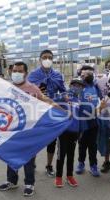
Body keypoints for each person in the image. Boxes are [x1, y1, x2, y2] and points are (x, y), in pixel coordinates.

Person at [0, 61, 65, 196]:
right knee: (11, 156)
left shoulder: (32, 88)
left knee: (28, 158)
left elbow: (45, 100)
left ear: (26, 73)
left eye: (19, 71)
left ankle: (29, 183)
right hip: (12, 130)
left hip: (30, 130)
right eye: (14, 71)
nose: (16, 73)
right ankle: (11, 181)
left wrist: (61, 110)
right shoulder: (8, 88)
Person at [28, 49, 66, 177]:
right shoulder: (32, 75)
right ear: (40, 59)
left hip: (52, 111)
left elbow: (63, 91)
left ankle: (49, 165)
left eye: (50, 57)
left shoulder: (58, 75)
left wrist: (65, 97)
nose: (47, 59)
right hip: (37, 111)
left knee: (52, 140)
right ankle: (31, 163)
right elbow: (26, 93)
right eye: (44, 57)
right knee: (34, 138)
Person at [54, 78, 85, 188]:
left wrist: (80, 130)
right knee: (61, 155)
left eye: (80, 87)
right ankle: (58, 177)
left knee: (71, 155)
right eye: (75, 85)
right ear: (71, 85)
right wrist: (62, 97)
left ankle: (70, 176)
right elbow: (52, 102)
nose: (78, 88)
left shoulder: (79, 100)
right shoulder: (63, 95)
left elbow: (80, 117)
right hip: (63, 131)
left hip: (75, 132)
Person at [75, 65, 101, 177]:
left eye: (90, 73)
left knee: (93, 145)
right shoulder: (78, 87)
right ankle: (81, 163)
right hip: (82, 122)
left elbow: (102, 99)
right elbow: (71, 100)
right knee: (82, 144)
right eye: (85, 74)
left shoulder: (96, 87)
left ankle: (93, 165)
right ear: (81, 75)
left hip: (94, 121)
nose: (88, 75)